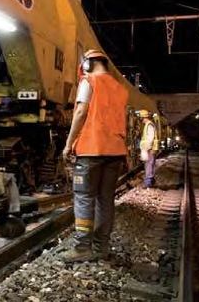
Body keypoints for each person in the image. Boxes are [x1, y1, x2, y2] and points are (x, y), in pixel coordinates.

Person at [61, 49, 128, 262]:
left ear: (89, 63)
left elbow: (80, 112)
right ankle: (101, 247)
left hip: (91, 149)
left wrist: (69, 143)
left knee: (84, 197)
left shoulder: (89, 81)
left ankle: (82, 248)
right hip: (115, 151)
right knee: (105, 200)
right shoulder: (120, 88)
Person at [139, 110, 159, 188]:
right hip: (148, 148)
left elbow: (150, 138)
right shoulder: (148, 124)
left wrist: (146, 148)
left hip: (149, 149)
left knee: (149, 164)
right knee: (149, 164)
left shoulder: (149, 125)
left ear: (143, 117)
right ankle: (150, 181)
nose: (141, 120)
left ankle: (148, 183)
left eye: (141, 118)